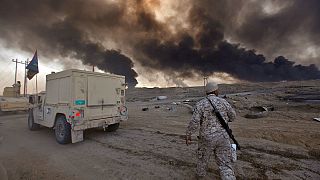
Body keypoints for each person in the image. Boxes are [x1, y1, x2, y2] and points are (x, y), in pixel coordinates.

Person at [186, 82, 236, 179]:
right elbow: (233, 117)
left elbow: (195, 122)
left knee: (202, 161)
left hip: (206, 138)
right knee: (225, 163)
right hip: (223, 137)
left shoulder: (200, 104)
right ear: (216, 91)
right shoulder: (223, 102)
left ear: (207, 92)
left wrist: (188, 134)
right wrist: (225, 119)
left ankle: (200, 177)